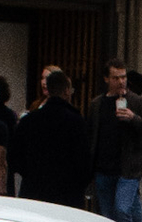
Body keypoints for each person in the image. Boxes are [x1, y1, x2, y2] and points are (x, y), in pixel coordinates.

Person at [91, 65, 142, 222]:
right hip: (103, 168)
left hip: (128, 169)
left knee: (122, 210)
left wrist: (134, 118)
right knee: (109, 217)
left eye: (123, 77)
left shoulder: (137, 102)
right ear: (107, 79)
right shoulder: (97, 104)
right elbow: (92, 133)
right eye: (116, 78)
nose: (121, 81)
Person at [15, 64, 93, 207]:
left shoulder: (29, 120)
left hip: (34, 191)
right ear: (67, 91)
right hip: (67, 194)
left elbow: (16, 157)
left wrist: (30, 174)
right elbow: (85, 161)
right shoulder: (76, 122)